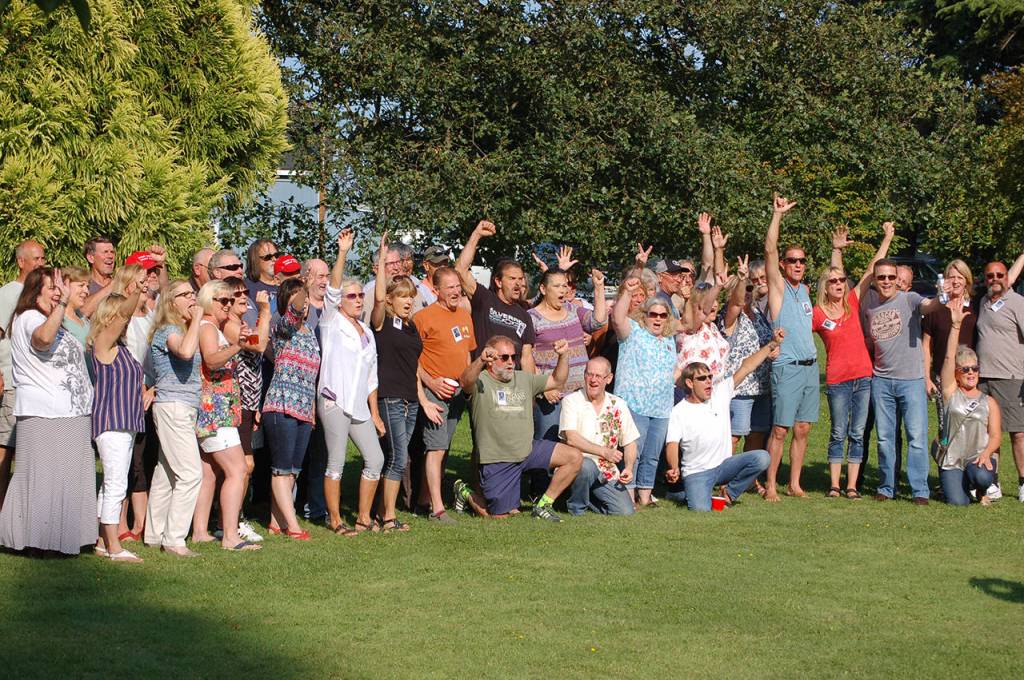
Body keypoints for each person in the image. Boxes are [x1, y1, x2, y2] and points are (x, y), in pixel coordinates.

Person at [0, 268, 95, 555]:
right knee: (43, 478)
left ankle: (64, 538)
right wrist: (64, 305)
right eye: (52, 288)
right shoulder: (29, 317)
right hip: (45, 412)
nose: (58, 293)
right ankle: (38, 540)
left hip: (70, 412)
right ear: (35, 291)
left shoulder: (53, 318)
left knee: (68, 476)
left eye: (59, 288)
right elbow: (41, 340)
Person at [453, 336, 582, 522]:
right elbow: (464, 382)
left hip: (527, 450)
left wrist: (563, 356)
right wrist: (480, 360)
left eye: (513, 357)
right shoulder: (480, 381)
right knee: (498, 516)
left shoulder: (523, 379)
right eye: (504, 358)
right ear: (491, 359)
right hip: (497, 458)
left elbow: (557, 381)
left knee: (574, 457)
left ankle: (543, 505)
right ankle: (464, 491)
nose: (510, 363)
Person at [812, 223, 894, 499]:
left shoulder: (852, 302)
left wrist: (887, 238)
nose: (838, 284)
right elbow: (797, 335)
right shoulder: (816, 313)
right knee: (837, 431)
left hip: (863, 377)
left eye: (841, 281)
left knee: (857, 433)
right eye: (833, 281)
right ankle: (834, 485)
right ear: (825, 286)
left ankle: (851, 486)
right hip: (837, 380)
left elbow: (872, 270)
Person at [664, 328, 783, 511]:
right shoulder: (679, 411)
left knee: (761, 458)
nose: (709, 382)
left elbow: (746, 367)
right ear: (689, 383)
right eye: (702, 379)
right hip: (697, 473)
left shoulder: (720, 393)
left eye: (710, 377)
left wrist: (771, 345)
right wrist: (673, 467)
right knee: (700, 510)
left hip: (723, 467)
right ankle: (682, 492)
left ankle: (729, 493)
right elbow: (672, 444)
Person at [318, 229, 388, 535]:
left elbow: (372, 376)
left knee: (376, 458)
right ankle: (334, 520)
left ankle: (362, 517)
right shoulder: (330, 321)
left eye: (361, 294)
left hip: (360, 404)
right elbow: (332, 288)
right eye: (353, 295)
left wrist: (374, 413)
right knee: (336, 461)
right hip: (334, 399)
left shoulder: (367, 331)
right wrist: (343, 252)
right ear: (340, 301)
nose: (358, 299)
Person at [862, 257, 948, 504]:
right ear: (875, 281)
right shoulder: (870, 308)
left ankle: (919, 490)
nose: (887, 281)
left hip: (911, 380)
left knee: (917, 437)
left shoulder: (909, 300)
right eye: (882, 277)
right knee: (885, 438)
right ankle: (886, 487)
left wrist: (942, 295)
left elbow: (931, 305)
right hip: (882, 381)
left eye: (891, 277)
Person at [368, 234, 439, 532]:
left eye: (411, 296)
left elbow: (414, 369)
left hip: (410, 399)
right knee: (397, 457)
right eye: (403, 296)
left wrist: (422, 400)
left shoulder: (411, 329)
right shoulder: (382, 322)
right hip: (390, 398)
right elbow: (379, 299)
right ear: (392, 300)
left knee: (398, 457)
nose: (409, 301)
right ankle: (387, 518)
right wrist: (384, 261)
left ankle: (377, 514)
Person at [192, 280, 259, 551]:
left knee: (209, 473)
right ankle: (230, 536)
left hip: (219, 408)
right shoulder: (207, 327)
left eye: (231, 301)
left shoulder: (213, 327)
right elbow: (211, 360)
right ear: (209, 301)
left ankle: (199, 531)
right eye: (223, 301)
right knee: (237, 469)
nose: (228, 305)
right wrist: (238, 346)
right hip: (215, 410)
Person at [145, 279, 205, 557]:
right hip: (173, 407)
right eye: (186, 295)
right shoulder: (168, 330)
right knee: (191, 474)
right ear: (171, 302)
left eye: (193, 294)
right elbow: (184, 351)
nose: (193, 298)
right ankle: (174, 539)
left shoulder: (181, 328)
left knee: (167, 473)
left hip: (181, 407)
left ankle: (154, 534)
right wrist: (199, 320)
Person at [413, 264, 476, 523]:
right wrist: (431, 383)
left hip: (459, 391)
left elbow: (468, 352)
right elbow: (411, 359)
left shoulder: (464, 314)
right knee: (436, 449)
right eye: (449, 287)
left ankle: (424, 500)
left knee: (445, 447)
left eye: (457, 286)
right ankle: (438, 510)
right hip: (435, 392)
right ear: (436, 289)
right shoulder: (423, 317)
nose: (455, 291)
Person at [88, 288, 147, 562]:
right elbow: (125, 313)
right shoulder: (102, 342)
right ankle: (114, 546)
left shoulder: (120, 348)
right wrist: (137, 289)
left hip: (126, 423)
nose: (127, 318)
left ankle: (102, 540)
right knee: (115, 485)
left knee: (113, 484)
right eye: (122, 315)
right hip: (111, 423)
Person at [763, 195, 816, 501]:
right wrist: (777, 215)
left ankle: (794, 484)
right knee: (781, 430)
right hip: (787, 368)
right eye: (792, 260)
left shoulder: (806, 290)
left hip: (810, 368)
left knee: (804, 429)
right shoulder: (779, 287)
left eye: (802, 260)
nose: (798, 264)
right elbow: (769, 249)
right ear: (783, 264)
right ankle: (771, 485)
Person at [611, 277, 680, 507]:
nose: (658, 319)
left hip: (661, 407)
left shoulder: (670, 340)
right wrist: (627, 293)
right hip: (634, 404)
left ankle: (645, 495)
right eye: (653, 314)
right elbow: (618, 318)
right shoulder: (633, 333)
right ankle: (628, 494)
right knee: (634, 452)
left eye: (663, 315)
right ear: (645, 315)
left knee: (652, 454)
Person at [262, 277, 320, 540]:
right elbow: (292, 314)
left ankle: (276, 521)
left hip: (304, 408)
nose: (304, 302)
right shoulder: (282, 327)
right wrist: (300, 294)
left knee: (294, 470)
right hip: (282, 404)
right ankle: (293, 526)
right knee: (281, 468)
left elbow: (312, 375)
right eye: (298, 297)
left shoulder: (310, 332)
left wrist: (312, 410)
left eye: (305, 297)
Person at [528, 267, 607, 441]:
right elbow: (526, 356)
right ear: (543, 289)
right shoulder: (532, 318)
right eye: (557, 286)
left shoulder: (573, 310)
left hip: (579, 395)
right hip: (551, 398)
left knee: (577, 447)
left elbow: (598, 321)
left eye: (565, 286)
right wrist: (542, 388)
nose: (563, 290)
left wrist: (599, 287)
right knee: (548, 449)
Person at [935, 300, 999, 506]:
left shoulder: (989, 401)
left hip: (976, 457)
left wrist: (987, 454)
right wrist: (955, 326)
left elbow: (997, 435)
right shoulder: (950, 393)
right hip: (952, 458)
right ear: (957, 373)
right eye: (965, 369)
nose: (971, 373)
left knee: (983, 477)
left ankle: (980, 488)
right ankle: (957, 484)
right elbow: (947, 358)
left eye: (974, 368)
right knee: (958, 503)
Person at [222, 277, 270, 542]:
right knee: (243, 465)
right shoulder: (230, 327)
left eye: (244, 292)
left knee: (244, 466)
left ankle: (233, 519)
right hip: (235, 403)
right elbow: (260, 345)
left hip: (249, 404)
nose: (243, 296)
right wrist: (264, 311)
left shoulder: (242, 324)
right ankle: (232, 521)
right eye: (236, 293)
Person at [559, 357, 638, 516]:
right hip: (576, 465)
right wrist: (603, 451)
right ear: (584, 375)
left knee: (625, 513)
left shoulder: (619, 404)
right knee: (586, 466)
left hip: (607, 471)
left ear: (609, 379)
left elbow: (630, 442)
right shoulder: (571, 401)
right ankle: (576, 509)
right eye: (589, 374)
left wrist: (628, 468)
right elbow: (571, 438)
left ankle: (584, 500)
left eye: (598, 376)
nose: (593, 380)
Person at [0, 240, 46, 509]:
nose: (41, 263)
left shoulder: (39, 295)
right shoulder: (9, 294)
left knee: (26, 451)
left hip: (32, 382)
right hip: (11, 380)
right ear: (21, 262)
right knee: (6, 447)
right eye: (36, 259)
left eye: (43, 258)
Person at [454, 220, 536, 369]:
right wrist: (476, 235)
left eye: (520, 279)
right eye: (512, 279)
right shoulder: (484, 299)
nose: (518, 284)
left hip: (511, 381)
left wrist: (529, 388)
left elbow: (527, 357)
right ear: (498, 282)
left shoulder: (525, 316)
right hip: (485, 380)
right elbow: (461, 269)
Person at [975, 259, 1024, 502]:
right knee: (990, 434)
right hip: (984, 378)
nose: (995, 279)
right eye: (990, 276)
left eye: (1000, 275)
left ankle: (1023, 482)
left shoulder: (1017, 302)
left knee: (1018, 433)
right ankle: (993, 482)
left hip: (1012, 377)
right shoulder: (984, 301)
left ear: (1007, 278)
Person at [719, 257, 773, 454]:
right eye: (744, 289)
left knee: (757, 433)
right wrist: (742, 280)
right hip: (740, 388)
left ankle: (750, 477)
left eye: (751, 288)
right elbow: (737, 302)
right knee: (734, 435)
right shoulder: (731, 316)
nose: (748, 293)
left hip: (762, 386)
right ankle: (726, 477)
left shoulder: (758, 313)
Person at [81, 236, 116, 317]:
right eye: (105, 252)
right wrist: (112, 285)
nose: (110, 256)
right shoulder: (83, 285)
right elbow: (83, 312)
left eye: (112, 252)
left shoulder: (122, 285)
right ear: (91, 258)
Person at [59, 266, 91, 347]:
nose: (86, 291)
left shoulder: (82, 317)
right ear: (65, 285)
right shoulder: (59, 319)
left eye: (87, 286)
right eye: (81, 285)